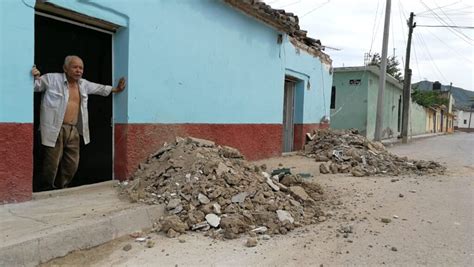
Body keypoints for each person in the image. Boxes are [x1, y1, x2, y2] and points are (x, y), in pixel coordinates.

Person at [32, 55, 126, 190]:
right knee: (51, 163)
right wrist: (34, 76)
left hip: (73, 130)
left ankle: (62, 187)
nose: (78, 70)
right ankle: (46, 189)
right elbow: (35, 86)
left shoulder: (83, 84)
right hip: (55, 129)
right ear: (65, 68)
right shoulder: (51, 79)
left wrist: (116, 89)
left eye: (81, 68)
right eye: (75, 67)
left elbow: (99, 88)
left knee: (72, 163)